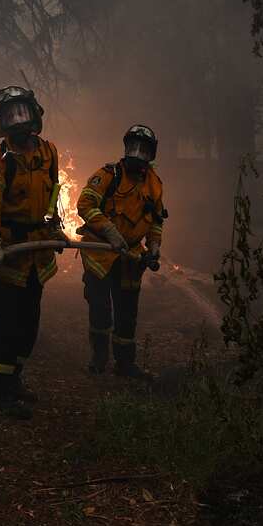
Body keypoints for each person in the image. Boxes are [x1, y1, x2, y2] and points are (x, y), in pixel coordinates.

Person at [0, 85, 65, 419]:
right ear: (3, 123)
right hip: (5, 256)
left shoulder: (50, 152)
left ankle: (13, 381)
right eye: (10, 115)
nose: (18, 121)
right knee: (5, 325)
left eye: (21, 112)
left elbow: (53, 191)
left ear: (34, 113)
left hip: (35, 256)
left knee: (29, 325)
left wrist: (52, 225)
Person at [76, 124, 166, 378]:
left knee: (127, 313)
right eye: (132, 147)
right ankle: (99, 357)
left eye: (143, 149)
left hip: (131, 257)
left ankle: (125, 364)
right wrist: (109, 231)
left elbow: (156, 219)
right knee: (101, 310)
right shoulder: (109, 174)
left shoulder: (155, 184)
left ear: (152, 154)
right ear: (125, 148)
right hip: (100, 254)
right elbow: (85, 203)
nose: (137, 153)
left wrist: (155, 246)